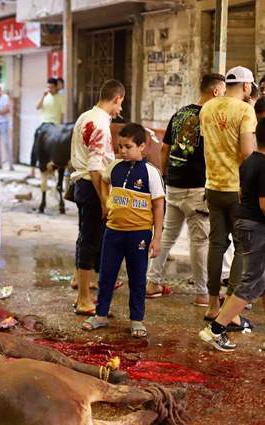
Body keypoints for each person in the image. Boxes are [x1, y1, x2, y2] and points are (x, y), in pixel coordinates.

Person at [146, 74, 226, 306]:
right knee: (199, 241)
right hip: (198, 187)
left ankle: (152, 283)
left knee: (167, 236)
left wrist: (165, 175)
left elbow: (165, 148)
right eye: (223, 91)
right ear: (215, 91)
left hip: (174, 185)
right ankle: (202, 293)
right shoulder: (211, 116)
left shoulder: (180, 113)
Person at [82, 123, 165, 338]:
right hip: (113, 231)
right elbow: (104, 181)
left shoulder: (151, 173)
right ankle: (100, 315)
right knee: (106, 275)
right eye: (120, 147)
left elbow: (158, 205)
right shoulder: (114, 167)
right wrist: (105, 202)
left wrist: (157, 238)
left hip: (139, 234)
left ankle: (137, 320)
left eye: (128, 147)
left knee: (137, 277)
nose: (123, 151)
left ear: (142, 147)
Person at [199, 118, 265, 351]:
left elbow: (241, 194)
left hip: (246, 223)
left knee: (259, 280)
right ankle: (215, 329)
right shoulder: (264, 165)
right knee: (251, 284)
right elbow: (264, 205)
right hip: (257, 227)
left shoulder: (249, 161)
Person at [199, 66, 257, 329]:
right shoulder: (245, 110)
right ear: (245, 86)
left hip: (213, 186)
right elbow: (247, 152)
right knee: (242, 247)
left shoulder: (207, 108)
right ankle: (231, 311)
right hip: (238, 189)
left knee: (216, 244)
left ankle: (212, 305)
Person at [70, 79, 125, 315]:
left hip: (82, 185)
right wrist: (104, 200)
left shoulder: (85, 116)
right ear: (116, 99)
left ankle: (80, 282)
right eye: (120, 104)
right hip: (91, 186)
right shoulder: (101, 124)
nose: (119, 109)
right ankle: (84, 299)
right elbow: (95, 167)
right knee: (91, 241)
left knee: (85, 237)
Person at [30, 78, 65, 177]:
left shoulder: (61, 98)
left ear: (56, 87)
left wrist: (60, 126)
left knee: (56, 149)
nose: (50, 89)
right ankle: (32, 170)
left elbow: (62, 114)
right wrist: (43, 96)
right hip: (44, 123)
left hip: (55, 125)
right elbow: (37, 107)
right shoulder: (45, 96)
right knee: (36, 145)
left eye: (52, 87)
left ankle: (54, 172)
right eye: (48, 87)